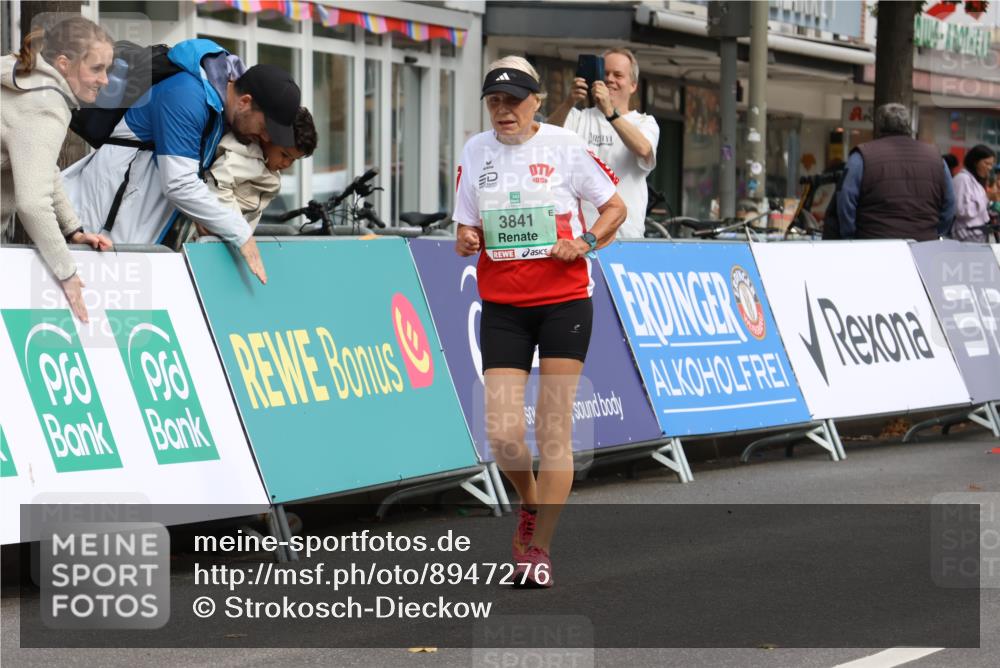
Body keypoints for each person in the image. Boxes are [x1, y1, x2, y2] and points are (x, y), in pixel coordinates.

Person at [453, 56, 626, 588]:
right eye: (495, 102)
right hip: (503, 303)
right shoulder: (475, 151)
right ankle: (530, 504)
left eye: (514, 101)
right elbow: (464, 228)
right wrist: (466, 239)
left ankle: (539, 549)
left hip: (563, 301)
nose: (504, 111)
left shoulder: (564, 146)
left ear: (536, 104)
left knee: (553, 432)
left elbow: (614, 208)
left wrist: (585, 241)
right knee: (503, 435)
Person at [62, 40, 302, 284]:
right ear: (244, 102)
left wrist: (207, 216)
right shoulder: (186, 94)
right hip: (97, 226)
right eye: (263, 127)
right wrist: (241, 234)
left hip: (126, 232)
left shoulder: (219, 107)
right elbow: (179, 183)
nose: (263, 138)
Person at [1, 16, 114, 323]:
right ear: (64, 63)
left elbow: (41, 167)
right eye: (96, 68)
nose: (105, 80)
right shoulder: (45, 103)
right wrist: (68, 273)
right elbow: (33, 203)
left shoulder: (24, 77)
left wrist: (72, 230)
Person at [547, 48, 659, 239]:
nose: (610, 80)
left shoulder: (644, 122)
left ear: (633, 85)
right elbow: (542, 139)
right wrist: (568, 102)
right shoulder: (577, 117)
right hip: (577, 237)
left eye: (618, 75)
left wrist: (609, 111)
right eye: (604, 73)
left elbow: (643, 149)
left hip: (625, 236)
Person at [837, 104, 955, 241]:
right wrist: (936, 232)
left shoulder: (862, 156)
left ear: (878, 124)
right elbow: (949, 204)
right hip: (923, 244)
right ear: (909, 124)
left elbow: (845, 198)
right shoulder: (936, 158)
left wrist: (850, 235)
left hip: (873, 242)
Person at [204, 107, 317, 233]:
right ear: (267, 136)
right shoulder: (243, 156)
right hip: (207, 237)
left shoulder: (267, 167)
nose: (287, 164)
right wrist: (240, 233)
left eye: (293, 160)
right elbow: (214, 186)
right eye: (284, 155)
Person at [951, 144, 996, 242]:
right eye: (986, 163)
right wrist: (986, 197)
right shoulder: (962, 179)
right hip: (965, 236)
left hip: (977, 235)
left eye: (991, 164)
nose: (989, 168)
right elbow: (961, 211)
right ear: (975, 162)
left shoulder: (977, 182)